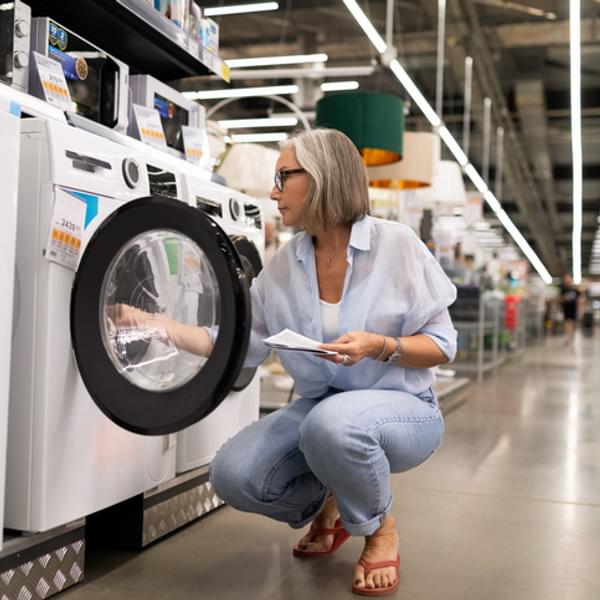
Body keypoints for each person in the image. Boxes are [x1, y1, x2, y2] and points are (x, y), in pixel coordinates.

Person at [111, 129, 457, 595]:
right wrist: (157, 324)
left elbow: (442, 343)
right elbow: (237, 343)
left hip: (405, 409)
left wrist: (380, 345)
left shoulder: (396, 245)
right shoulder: (282, 265)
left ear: (321, 179)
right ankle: (333, 500)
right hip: (324, 411)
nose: (273, 192)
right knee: (232, 475)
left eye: (283, 177)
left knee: (332, 425)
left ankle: (379, 528)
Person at [560, 274, 581, 345]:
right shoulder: (563, 290)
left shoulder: (575, 290)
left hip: (574, 309)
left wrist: (580, 310)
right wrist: (565, 298)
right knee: (567, 323)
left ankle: (571, 336)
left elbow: (579, 300)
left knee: (572, 323)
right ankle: (567, 337)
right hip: (566, 309)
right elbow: (561, 299)